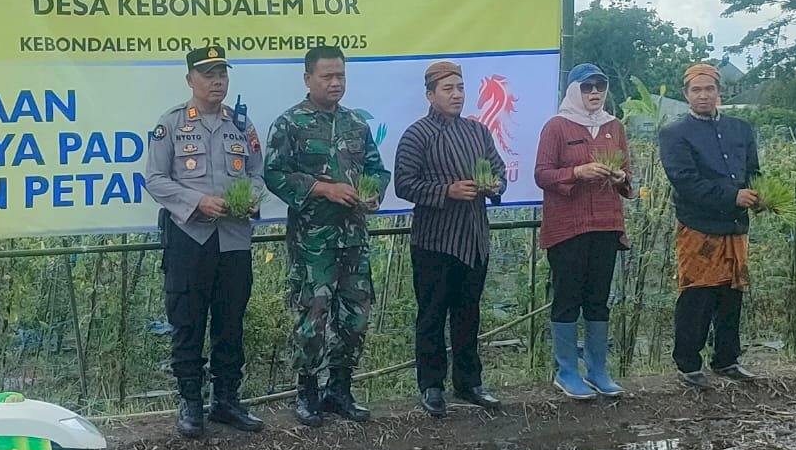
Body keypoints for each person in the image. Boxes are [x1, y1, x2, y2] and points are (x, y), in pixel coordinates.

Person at [144, 45, 266, 438]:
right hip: (189, 238)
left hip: (234, 240)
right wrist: (197, 201)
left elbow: (257, 173)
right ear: (190, 80)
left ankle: (227, 401)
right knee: (188, 322)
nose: (217, 81)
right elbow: (155, 179)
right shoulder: (172, 123)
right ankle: (191, 403)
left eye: (223, 74)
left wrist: (250, 199)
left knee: (231, 322)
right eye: (209, 74)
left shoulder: (242, 126)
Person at [264, 46, 390, 426]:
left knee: (355, 318)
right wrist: (323, 189)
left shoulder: (355, 124)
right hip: (312, 244)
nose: (335, 83)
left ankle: (341, 390)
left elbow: (376, 169)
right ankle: (308, 392)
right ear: (308, 79)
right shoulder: (291, 123)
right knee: (313, 320)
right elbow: (274, 174)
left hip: (353, 239)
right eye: (327, 76)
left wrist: (372, 193)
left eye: (340, 76)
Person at [392, 60, 506, 417]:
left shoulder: (478, 132)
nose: (457, 95)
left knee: (468, 314)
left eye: (460, 88)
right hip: (434, 241)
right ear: (430, 94)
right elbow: (404, 184)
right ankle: (431, 386)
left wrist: (494, 186)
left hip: (473, 238)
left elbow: (499, 170)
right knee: (431, 316)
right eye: (448, 89)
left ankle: (469, 382)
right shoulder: (417, 134)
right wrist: (447, 191)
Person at [658, 62, 761, 389]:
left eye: (709, 89)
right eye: (696, 90)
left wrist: (764, 196)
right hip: (698, 225)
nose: (703, 95)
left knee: (732, 293)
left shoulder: (740, 129)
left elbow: (754, 172)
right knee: (697, 294)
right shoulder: (675, 133)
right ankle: (688, 364)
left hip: (734, 225)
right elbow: (685, 181)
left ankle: (726, 359)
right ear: (686, 95)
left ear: (720, 92)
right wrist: (732, 196)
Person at [534, 63, 632, 401]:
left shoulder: (614, 126)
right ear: (574, 90)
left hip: (606, 225)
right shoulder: (557, 127)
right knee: (567, 298)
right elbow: (542, 175)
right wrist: (577, 171)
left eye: (600, 87)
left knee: (598, 299)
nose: (594, 93)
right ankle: (566, 371)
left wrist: (619, 178)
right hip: (568, 227)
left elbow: (627, 175)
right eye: (587, 87)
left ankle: (598, 370)